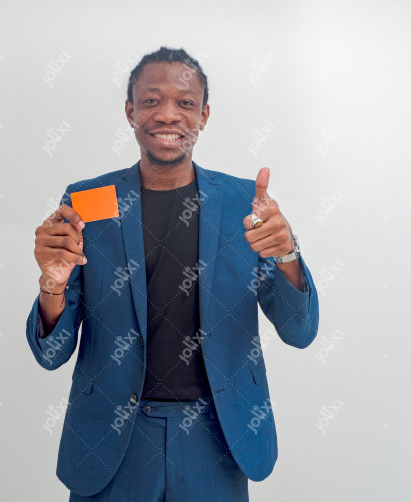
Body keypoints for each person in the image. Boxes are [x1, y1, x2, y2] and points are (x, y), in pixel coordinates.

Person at [26, 46, 319, 501]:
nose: (168, 114)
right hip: (112, 443)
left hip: (218, 439)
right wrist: (53, 284)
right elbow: (51, 354)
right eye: (151, 100)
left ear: (204, 115)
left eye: (184, 102)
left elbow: (300, 332)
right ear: (130, 112)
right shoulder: (90, 202)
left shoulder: (246, 205)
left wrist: (288, 255)